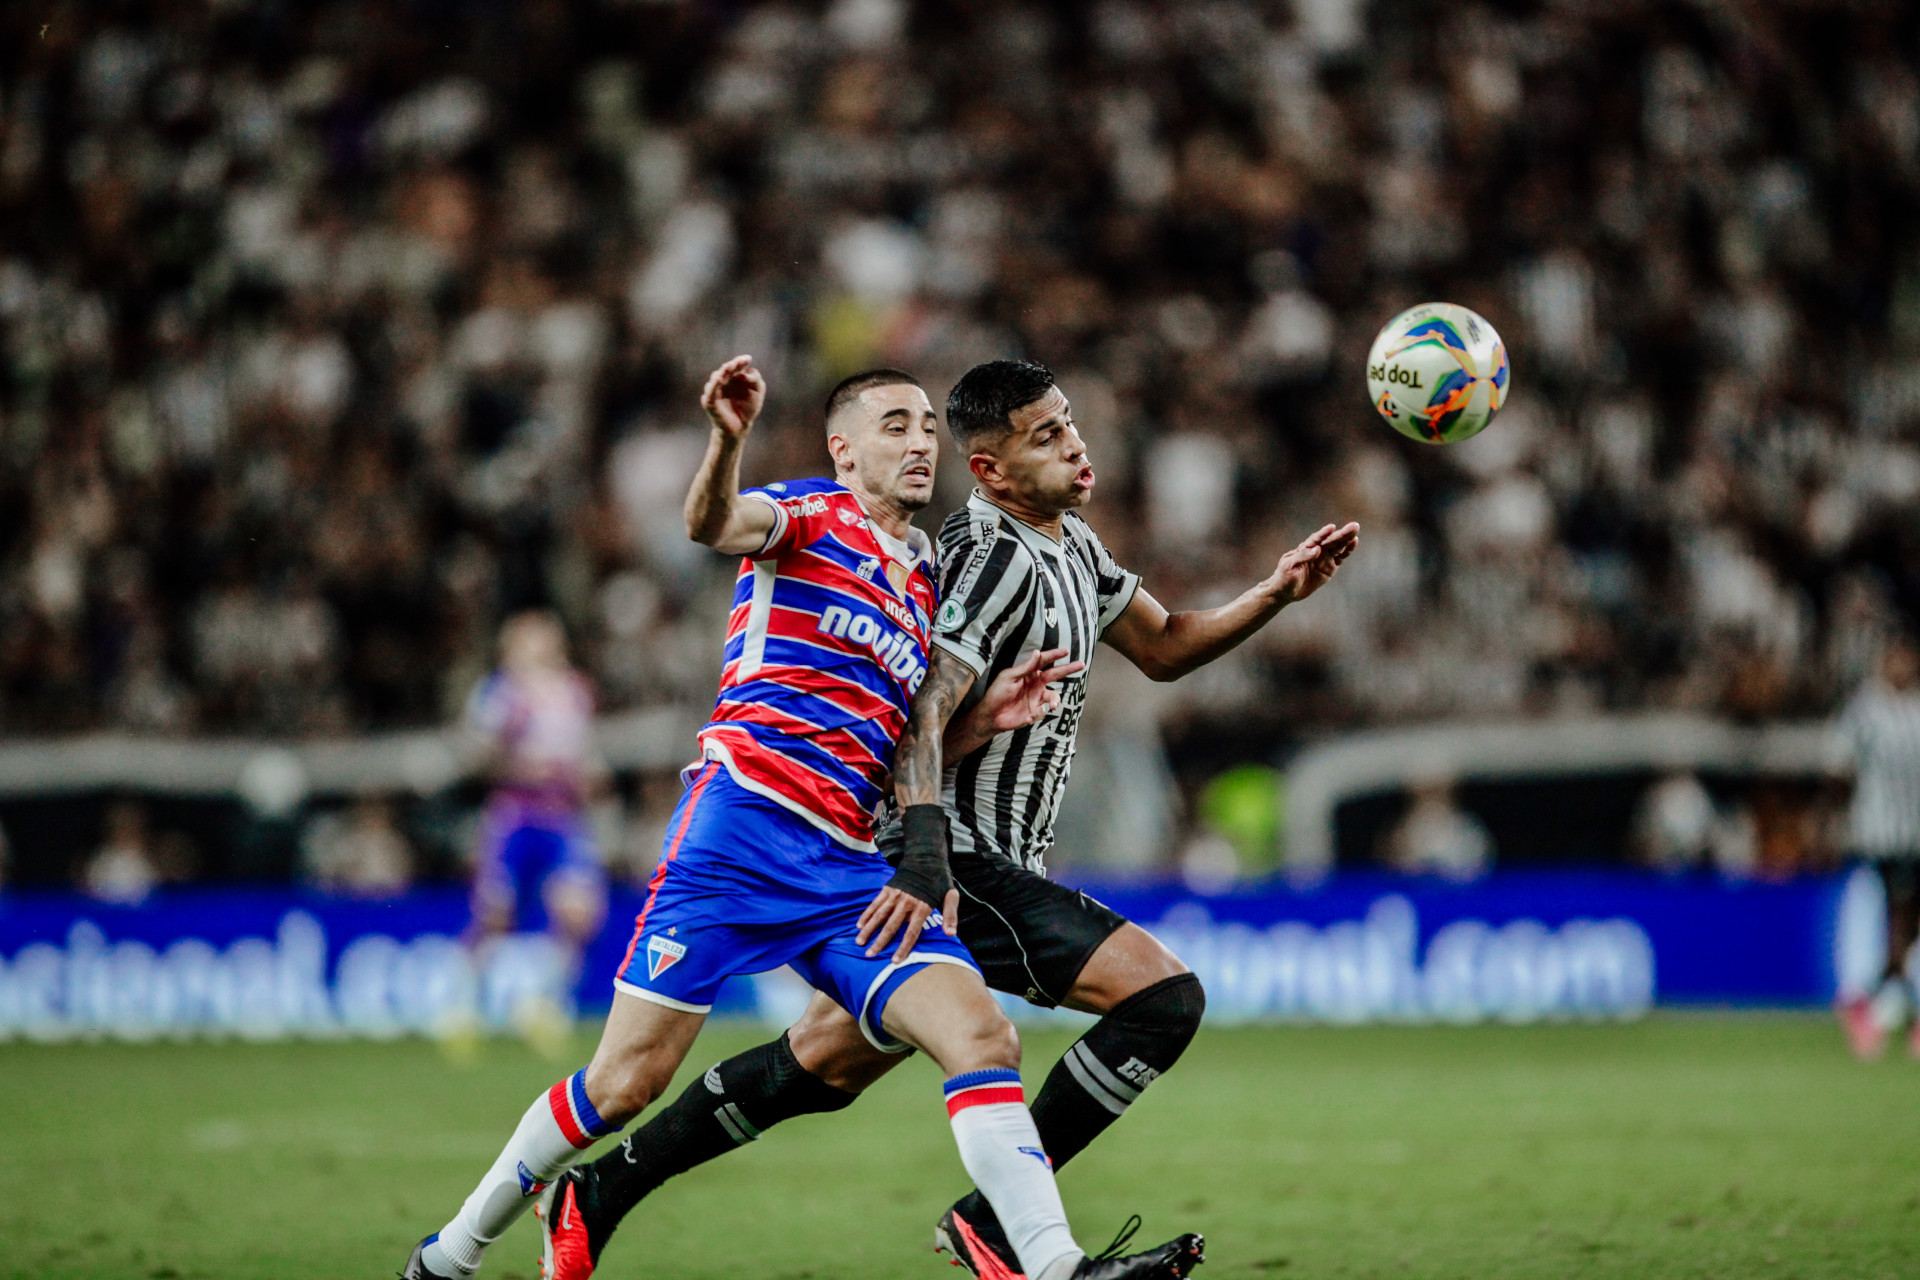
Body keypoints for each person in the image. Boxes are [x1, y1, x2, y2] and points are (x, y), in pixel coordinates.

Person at [540, 359, 1356, 1279]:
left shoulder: (1074, 548)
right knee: (1162, 999)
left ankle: (599, 1190)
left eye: (1071, 425)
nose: (1076, 445)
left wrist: (1273, 594)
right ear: (992, 471)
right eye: (1045, 436)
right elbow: (923, 708)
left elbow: (1165, 649)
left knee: (821, 1063)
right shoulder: (985, 554)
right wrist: (926, 856)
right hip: (954, 858)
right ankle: (1000, 1228)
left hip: (978, 858)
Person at [405, 356, 1203, 1280]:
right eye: (893, 426)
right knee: (624, 1084)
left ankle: (1054, 1267)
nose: (917, 444)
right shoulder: (806, 516)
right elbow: (711, 521)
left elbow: (907, 733)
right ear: (843, 450)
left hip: (849, 864)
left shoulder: (925, 578)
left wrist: (988, 717)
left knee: (982, 1035)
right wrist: (728, 438)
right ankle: (452, 1255)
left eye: (927, 429)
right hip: (739, 830)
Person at [463, 610, 611, 1041]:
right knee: (496, 917)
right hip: (514, 816)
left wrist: (588, 776)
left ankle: (547, 1004)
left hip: (562, 818)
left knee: (581, 915)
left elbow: (582, 752)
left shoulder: (576, 691)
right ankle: (464, 1002)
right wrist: (523, 766)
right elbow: (478, 758)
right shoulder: (499, 693)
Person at [1836, 634, 1920, 1059]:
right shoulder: (1865, 711)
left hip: (1917, 834)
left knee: (1910, 930)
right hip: (1882, 835)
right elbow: (1838, 766)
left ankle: (1870, 1006)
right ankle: (1872, 1005)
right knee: (1899, 926)